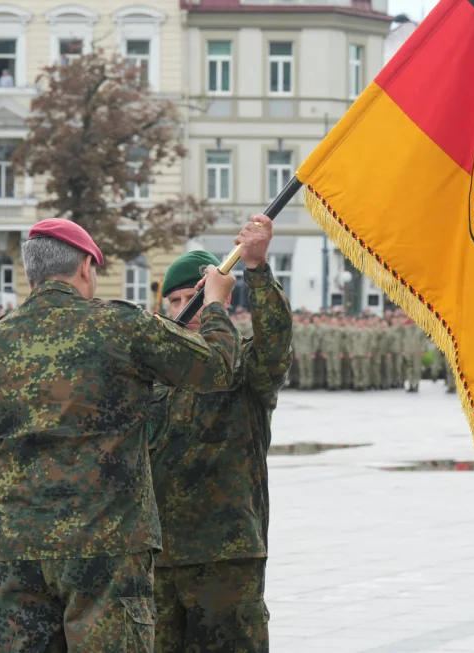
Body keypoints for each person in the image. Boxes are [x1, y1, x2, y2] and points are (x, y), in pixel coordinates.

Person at [0, 218, 239, 653]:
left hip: (19, 549)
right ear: (86, 266)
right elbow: (216, 368)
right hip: (106, 549)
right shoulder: (120, 325)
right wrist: (215, 303)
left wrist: (28, 498)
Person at [150, 216, 290, 653]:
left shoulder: (245, 367)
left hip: (225, 562)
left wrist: (257, 270)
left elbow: (276, 344)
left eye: (193, 296)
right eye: (175, 301)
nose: (183, 309)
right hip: (157, 562)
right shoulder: (152, 376)